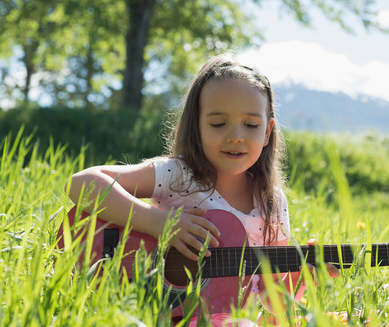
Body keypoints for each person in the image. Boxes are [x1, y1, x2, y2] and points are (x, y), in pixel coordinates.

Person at [67, 54, 338, 326]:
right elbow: (81, 183)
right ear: (196, 127)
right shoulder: (178, 177)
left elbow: (272, 298)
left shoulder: (271, 203)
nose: (235, 135)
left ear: (267, 132)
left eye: (251, 125)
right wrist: (159, 223)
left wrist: (306, 277)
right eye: (218, 123)